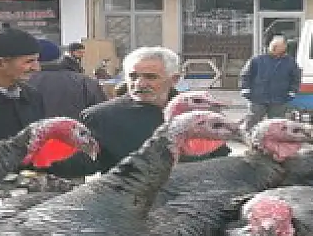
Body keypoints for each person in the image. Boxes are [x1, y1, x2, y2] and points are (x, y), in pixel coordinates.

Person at [49, 46, 226, 178]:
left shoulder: (201, 114)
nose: (140, 84)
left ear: (174, 79)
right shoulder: (101, 117)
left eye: (150, 77)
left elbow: (220, 162)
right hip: (128, 212)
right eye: (133, 77)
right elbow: (80, 165)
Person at [28, 40, 107, 119]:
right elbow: (102, 115)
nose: (82, 55)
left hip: (33, 130)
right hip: (76, 129)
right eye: (79, 52)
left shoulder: (22, 84)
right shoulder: (85, 82)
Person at [239, 35, 301, 131]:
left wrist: (292, 91)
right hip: (258, 97)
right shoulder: (257, 60)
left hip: (279, 98)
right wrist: (245, 89)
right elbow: (246, 75)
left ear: (284, 47)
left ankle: (273, 142)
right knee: (252, 121)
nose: (276, 48)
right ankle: (247, 137)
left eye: (279, 46)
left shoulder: (290, 62)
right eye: (275, 46)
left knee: (276, 124)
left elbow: (295, 78)